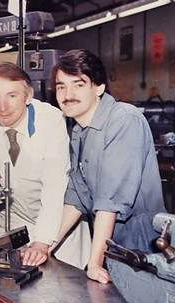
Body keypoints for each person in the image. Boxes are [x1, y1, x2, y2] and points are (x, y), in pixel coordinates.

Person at [22, 49, 166, 284]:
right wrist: (46, 244)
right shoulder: (79, 132)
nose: (68, 94)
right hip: (114, 246)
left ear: (98, 88)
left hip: (143, 246)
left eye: (78, 85)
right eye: (61, 86)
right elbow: (77, 199)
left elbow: (109, 201)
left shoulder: (123, 120)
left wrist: (95, 260)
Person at [0, 62, 70, 257]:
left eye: (12, 95)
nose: (3, 107)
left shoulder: (51, 120)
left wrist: (42, 241)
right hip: (14, 220)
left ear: (28, 96)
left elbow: (54, 188)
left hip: (56, 224)